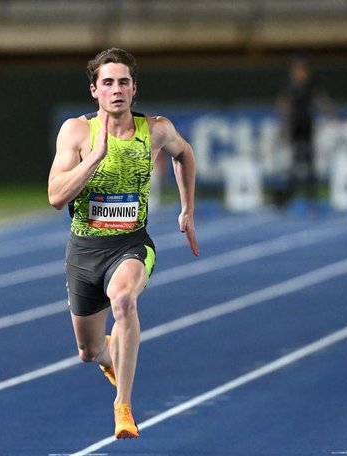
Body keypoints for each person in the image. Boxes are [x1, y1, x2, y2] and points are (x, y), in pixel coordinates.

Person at [47, 48, 200, 440]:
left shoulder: (157, 129)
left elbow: (184, 154)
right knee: (88, 351)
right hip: (84, 250)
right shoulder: (77, 132)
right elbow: (55, 195)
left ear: (134, 89)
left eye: (123, 83)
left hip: (132, 244)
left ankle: (123, 407)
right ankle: (109, 353)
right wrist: (93, 159)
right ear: (94, 91)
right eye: (108, 83)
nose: (116, 90)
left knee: (123, 301)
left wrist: (187, 210)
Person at [275, 54, 338, 208]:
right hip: (294, 126)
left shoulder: (311, 84)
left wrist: (333, 112)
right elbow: (283, 105)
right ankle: (288, 196)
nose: (300, 71)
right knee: (294, 164)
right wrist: (283, 127)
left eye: (302, 68)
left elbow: (321, 100)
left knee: (310, 163)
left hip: (307, 125)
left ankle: (312, 197)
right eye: (297, 68)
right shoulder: (289, 85)